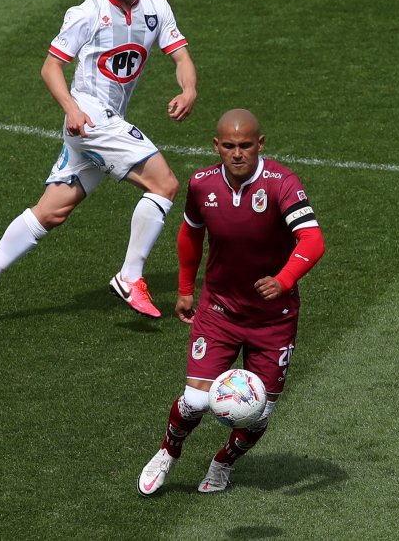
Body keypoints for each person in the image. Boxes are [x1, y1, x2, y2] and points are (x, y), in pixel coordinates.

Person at [0, 0, 197, 329]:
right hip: (90, 119)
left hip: (103, 124)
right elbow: (50, 66)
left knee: (53, 212)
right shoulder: (87, 12)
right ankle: (130, 276)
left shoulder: (157, 7)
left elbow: (181, 57)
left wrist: (189, 88)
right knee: (165, 185)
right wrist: (71, 108)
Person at [136, 109, 326, 496]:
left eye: (245, 146)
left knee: (258, 414)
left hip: (274, 320)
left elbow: (313, 241)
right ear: (216, 146)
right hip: (219, 310)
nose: (237, 153)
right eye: (229, 146)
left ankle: (223, 462)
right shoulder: (202, 184)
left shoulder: (282, 184)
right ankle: (168, 453)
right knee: (194, 400)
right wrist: (186, 288)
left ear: (260, 144)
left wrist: (283, 279)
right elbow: (190, 235)